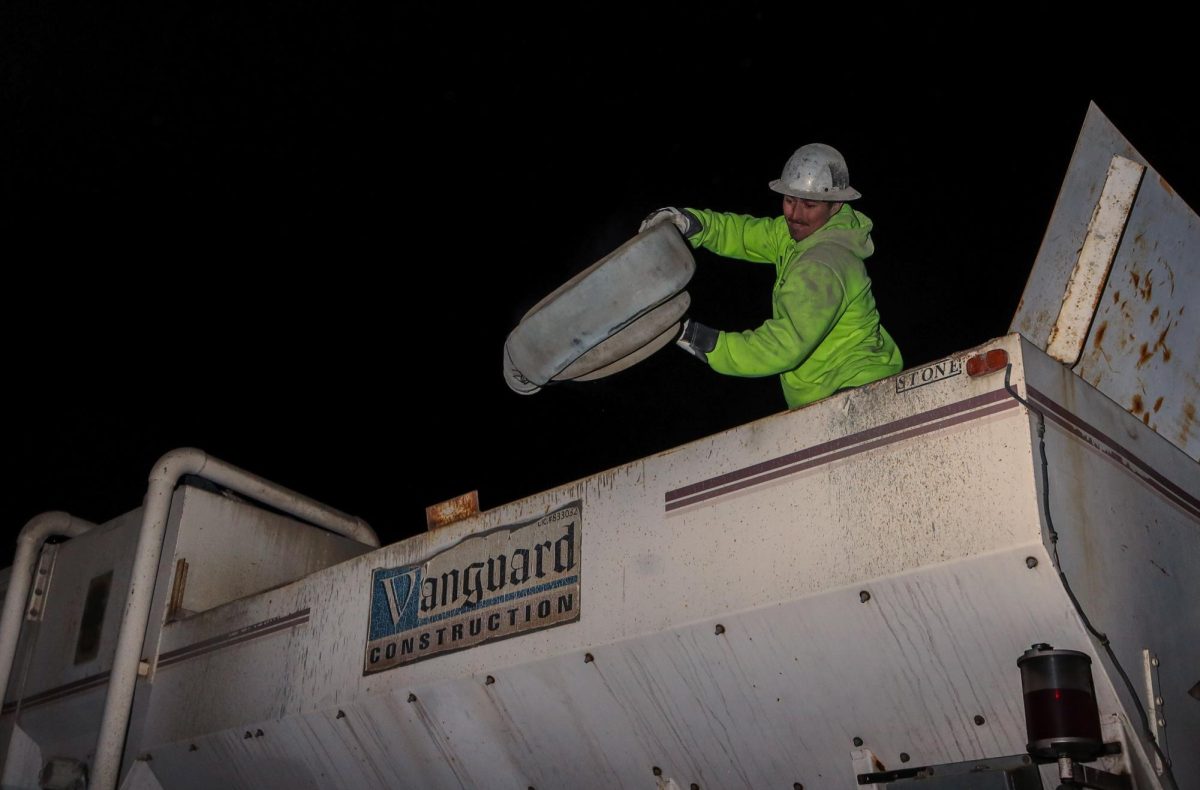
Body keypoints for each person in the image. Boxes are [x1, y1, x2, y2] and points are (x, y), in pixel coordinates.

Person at [640, 143, 902, 409]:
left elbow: (783, 345)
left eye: (809, 205)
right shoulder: (795, 236)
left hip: (857, 391)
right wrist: (690, 222)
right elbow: (744, 234)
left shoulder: (824, 267)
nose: (794, 215)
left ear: (835, 206)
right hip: (822, 397)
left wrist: (703, 340)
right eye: (789, 200)